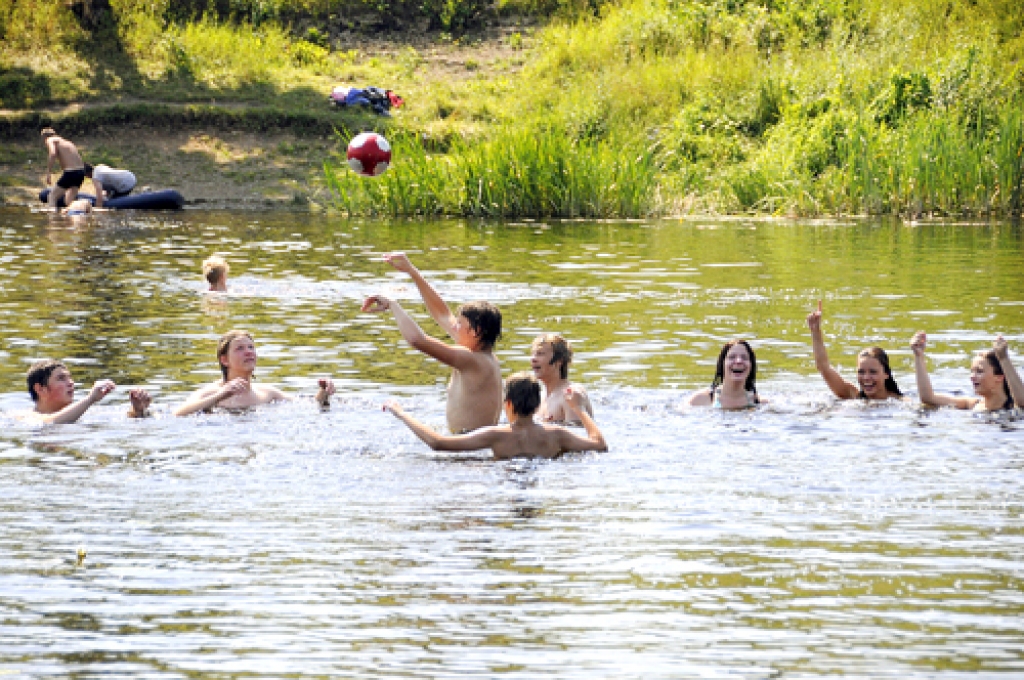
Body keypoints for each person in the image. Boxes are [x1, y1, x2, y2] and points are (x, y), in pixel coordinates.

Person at [362, 252, 502, 433]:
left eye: (460, 324)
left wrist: (393, 305)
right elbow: (442, 314)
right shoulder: (481, 353)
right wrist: (412, 272)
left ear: (476, 331)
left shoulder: (472, 360)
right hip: (468, 442)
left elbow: (417, 340)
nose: (454, 326)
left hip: (469, 447)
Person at [385, 372, 607, 460]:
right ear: (537, 404)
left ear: (507, 404)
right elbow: (599, 444)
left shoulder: (495, 435)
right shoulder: (557, 434)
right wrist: (579, 409)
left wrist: (401, 413)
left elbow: (438, 442)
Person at [173, 329, 334, 416]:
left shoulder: (267, 393)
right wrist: (220, 396)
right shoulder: (211, 392)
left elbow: (310, 405)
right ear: (225, 360)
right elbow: (178, 413)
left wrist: (324, 392)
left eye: (251, 347)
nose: (249, 352)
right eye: (240, 348)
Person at [807, 300, 903, 400]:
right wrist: (815, 331)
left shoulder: (900, 402)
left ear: (886, 374)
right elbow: (824, 368)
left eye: (873, 372)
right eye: (861, 372)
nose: (866, 377)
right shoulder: (853, 395)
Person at [911, 332, 1024, 412]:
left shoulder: (1012, 407)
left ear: (999, 377)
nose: (972, 377)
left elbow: (1022, 403)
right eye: (972, 371)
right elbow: (928, 398)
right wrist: (918, 356)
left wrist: (1004, 358)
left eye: (979, 371)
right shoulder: (971, 404)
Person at [25, 359, 150, 424]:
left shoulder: (86, 413)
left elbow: (124, 422)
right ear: (40, 389)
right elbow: (49, 423)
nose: (71, 383)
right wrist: (90, 399)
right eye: (61, 378)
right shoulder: (27, 417)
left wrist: (138, 410)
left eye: (70, 378)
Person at [530, 333, 594, 422]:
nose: (533, 359)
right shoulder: (539, 398)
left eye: (540, 354)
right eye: (533, 354)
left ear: (559, 361)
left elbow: (579, 430)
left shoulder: (571, 395)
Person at [687, 339, 763, 409]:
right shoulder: (699, 401)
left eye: (744, 357)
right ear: (722, 364)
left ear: (751, 366)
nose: (739, 361)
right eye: (732, 357)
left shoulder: (760, 404)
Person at [41, 128, 86, 208]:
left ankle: (52, 216)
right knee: (69, 201)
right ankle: (78, 213)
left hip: (71, 172)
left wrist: (48, 172)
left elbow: (53, 153)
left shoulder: (50, 139)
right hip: (81, 172)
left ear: (45, 137)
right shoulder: (67, 142)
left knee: (52, 196)